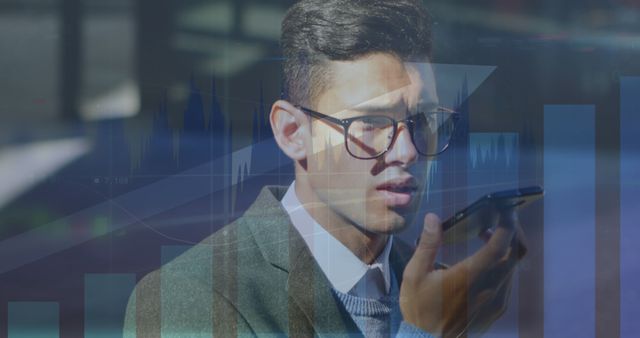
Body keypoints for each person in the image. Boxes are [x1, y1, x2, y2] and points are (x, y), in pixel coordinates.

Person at [124, 0, 526, 337]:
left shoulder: (433, 289)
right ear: (292, 132)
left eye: (423, 121)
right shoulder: (188, 297)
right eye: (370, 123)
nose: (406, 151)